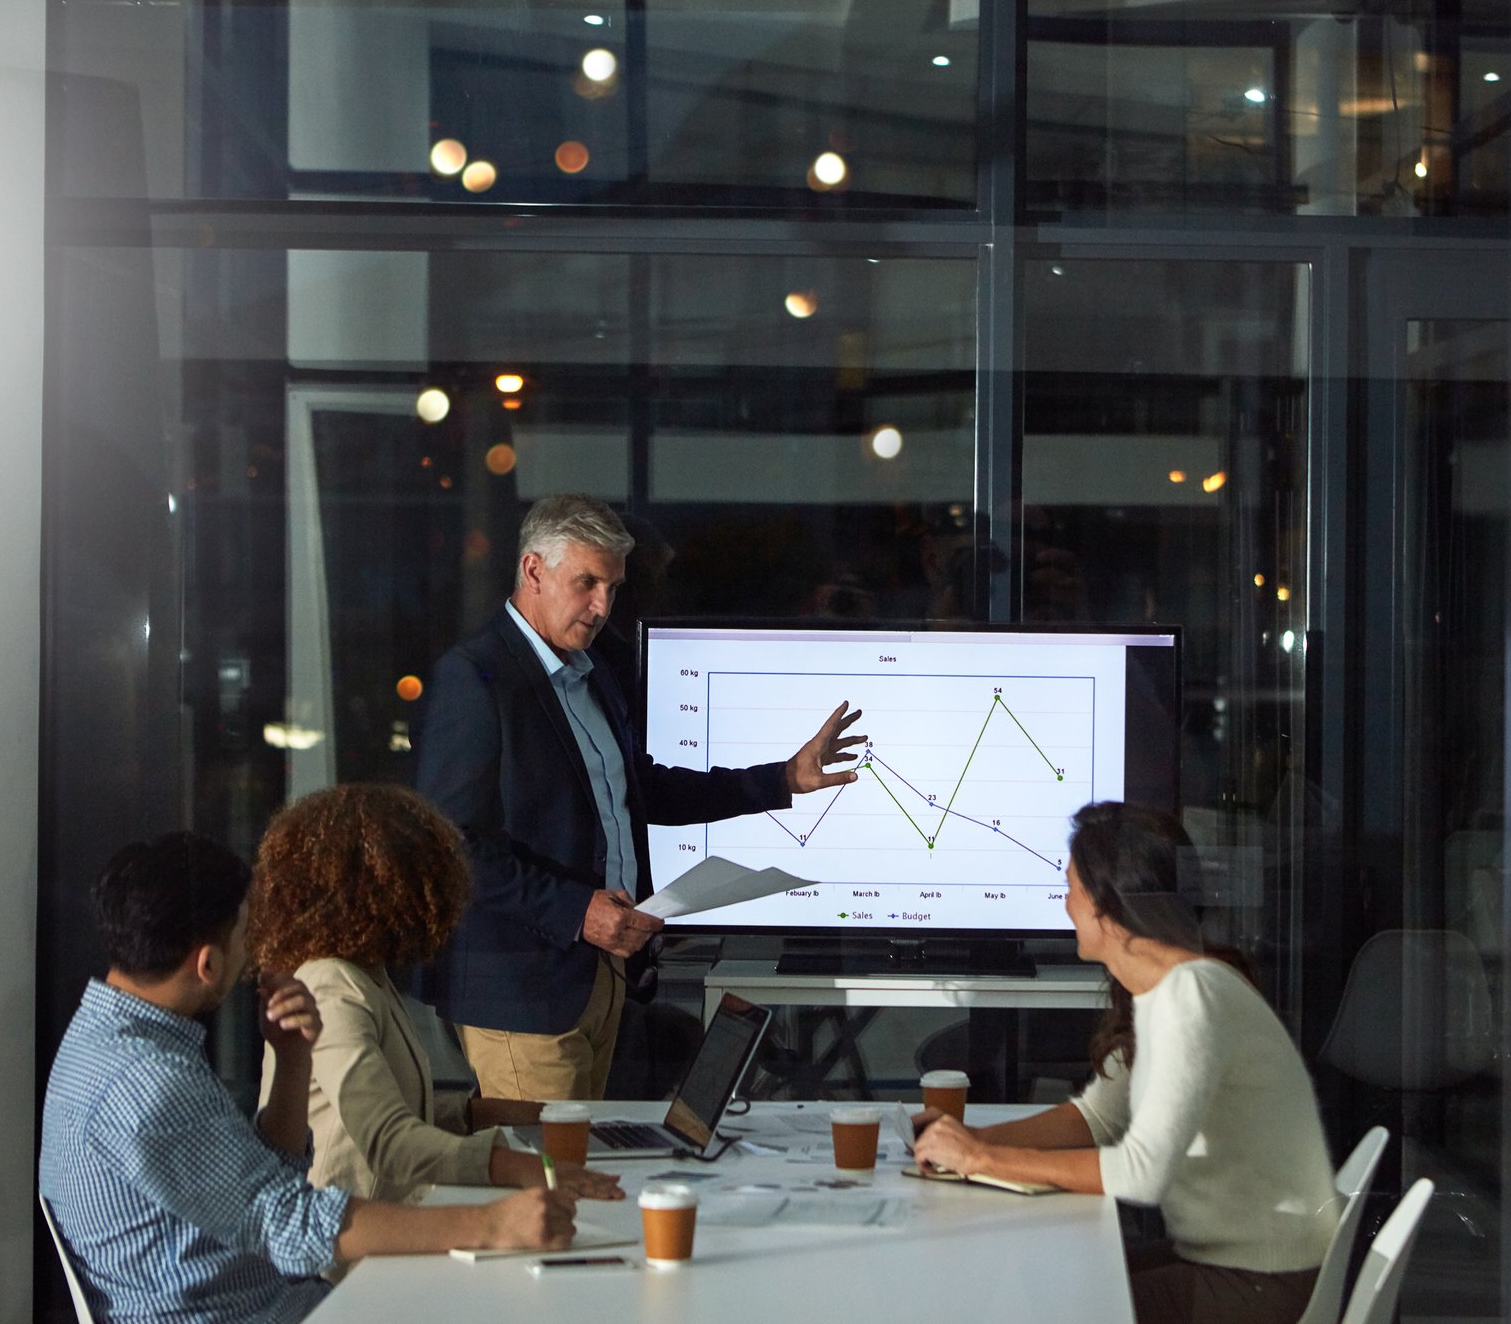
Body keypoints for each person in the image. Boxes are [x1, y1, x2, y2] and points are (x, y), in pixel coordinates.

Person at [414, 492, 862, 1101]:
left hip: (603, 976)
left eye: (613, 587)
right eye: (587, 583)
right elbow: (451, 847)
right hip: (524, 991)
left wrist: (780, 778)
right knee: (550, 1181)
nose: (602, 607)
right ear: (533, 571)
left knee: (584, 1178)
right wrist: (579, 911)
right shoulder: (475, 676)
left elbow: (639, 790)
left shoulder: (592, 670)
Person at [39, 833, 575, 1324]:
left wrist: (292, 1060)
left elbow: (265, 1191)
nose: (253, 951)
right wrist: (492, 1225)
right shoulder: (148, 1080)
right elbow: (292, 1224)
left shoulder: (106, 1038)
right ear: (206, 964)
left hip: (268, 1298)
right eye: (245, 933)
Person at [912, 802, 1338, 1324]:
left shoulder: (1190, 995)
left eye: (1071, 890)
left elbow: (1141, 1175)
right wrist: (970, 1139)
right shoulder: (1176, 987)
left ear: (1106, 907)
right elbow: (1098, 1119)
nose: (1064, 905)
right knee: (1051, 1279)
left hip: (1259, 1284)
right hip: (1238, 1262)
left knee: (1038, 1305)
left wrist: (981, 1159)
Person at [248, 782, 626, 1212]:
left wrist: (483, 1113)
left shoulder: (362, 973)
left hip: (388, 1224)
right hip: (350, 1251)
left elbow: (388, 1104)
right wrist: (520, 1167)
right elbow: (388, 1141)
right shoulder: (331, 987)